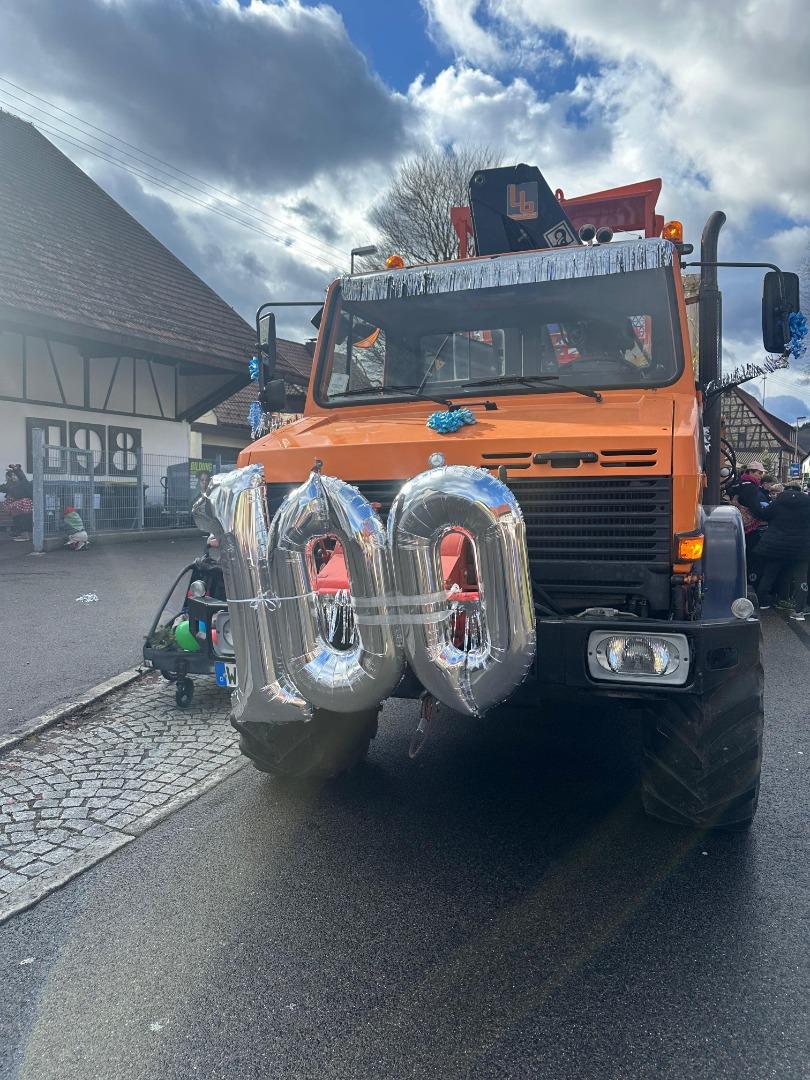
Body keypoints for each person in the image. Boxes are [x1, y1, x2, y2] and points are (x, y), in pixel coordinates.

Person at [752, 485, 810, 619]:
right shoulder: (808, 503)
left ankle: (762, 602)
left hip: (776, 545)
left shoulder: (777, 502)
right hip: (801, 546)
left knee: (769, 574)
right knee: (801, 577)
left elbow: (764, 515)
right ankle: (799, 611)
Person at [727, 460, 770, 574]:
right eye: (758, 473)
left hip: (737, 521)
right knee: (751, 551)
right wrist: (765, 515)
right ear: (750, 472)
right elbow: (754, 506)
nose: (760, 476)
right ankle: (749, 575)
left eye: (761, 473)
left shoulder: (738, 483)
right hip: (749, 524)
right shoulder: (750, 486)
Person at [0, 464, 33, 541]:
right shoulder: (11, 485)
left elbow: (21, 476)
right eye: (12, 476)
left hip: (26, 504)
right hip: (18, 506)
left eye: (15, 475)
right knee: (17, 516)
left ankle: (25, 536)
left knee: (23, 517)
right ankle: (21, 534)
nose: (13, 477)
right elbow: (3, 488)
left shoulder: (23, 482)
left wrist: (16, 469)